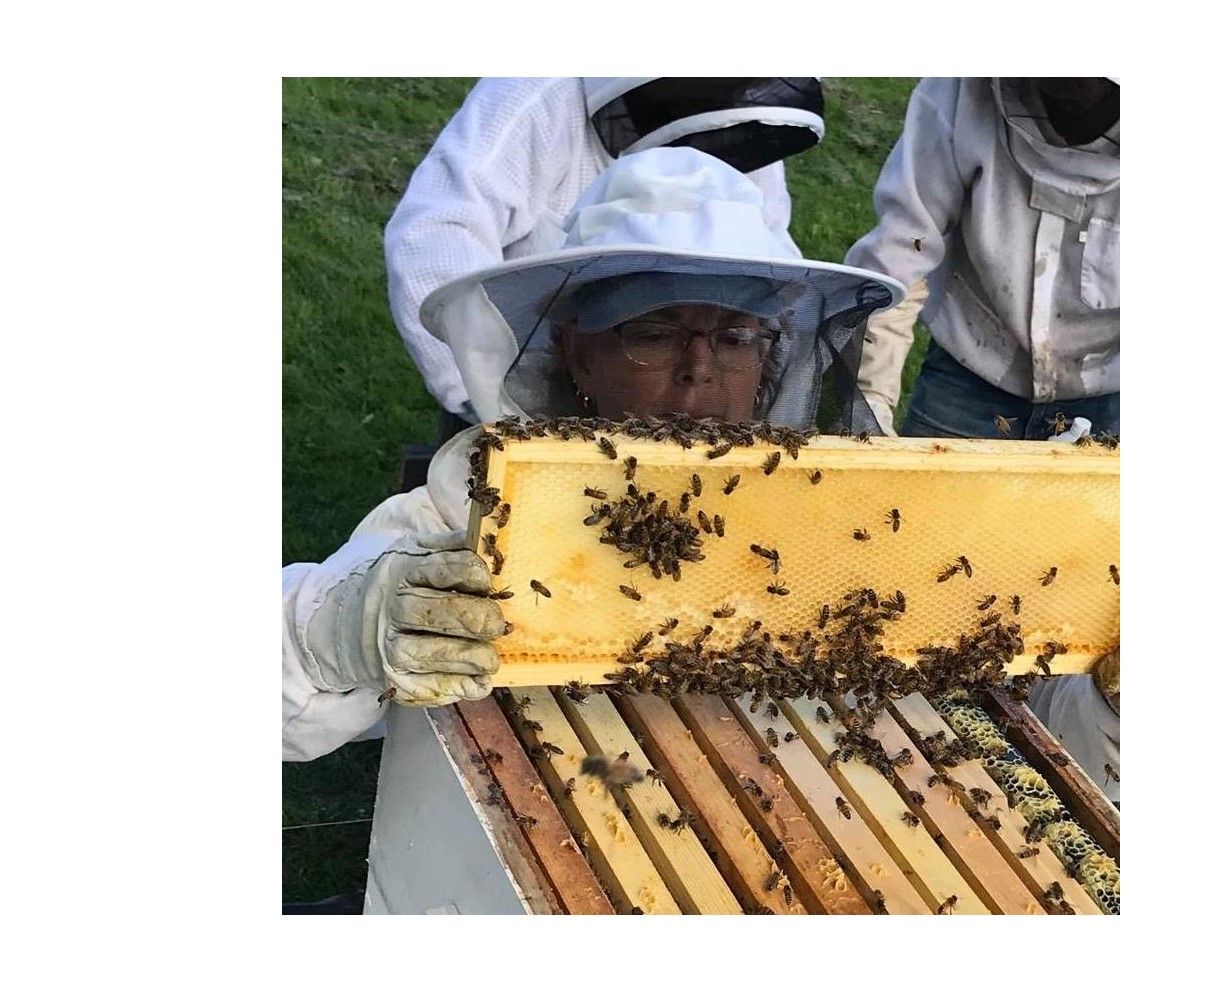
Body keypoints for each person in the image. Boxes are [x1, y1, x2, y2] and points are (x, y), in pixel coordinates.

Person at [284, 146, 902, 764]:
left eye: (735, 337)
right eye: (654, 335)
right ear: (580, 355)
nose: (699, 370)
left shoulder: (812, 508)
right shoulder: (471, 507)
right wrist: (341, 630)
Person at [385, 77, 826, 436]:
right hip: (560, 358)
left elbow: (770, 267)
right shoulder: (534, 91)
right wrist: (492, 394)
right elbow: (436, 233)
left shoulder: (743, 126)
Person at [844, 77, 1119, 442]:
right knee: (922, 501)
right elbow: (897, 257)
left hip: (1110, 392)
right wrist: (870, 405)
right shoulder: (956, 93)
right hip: (969, 373)